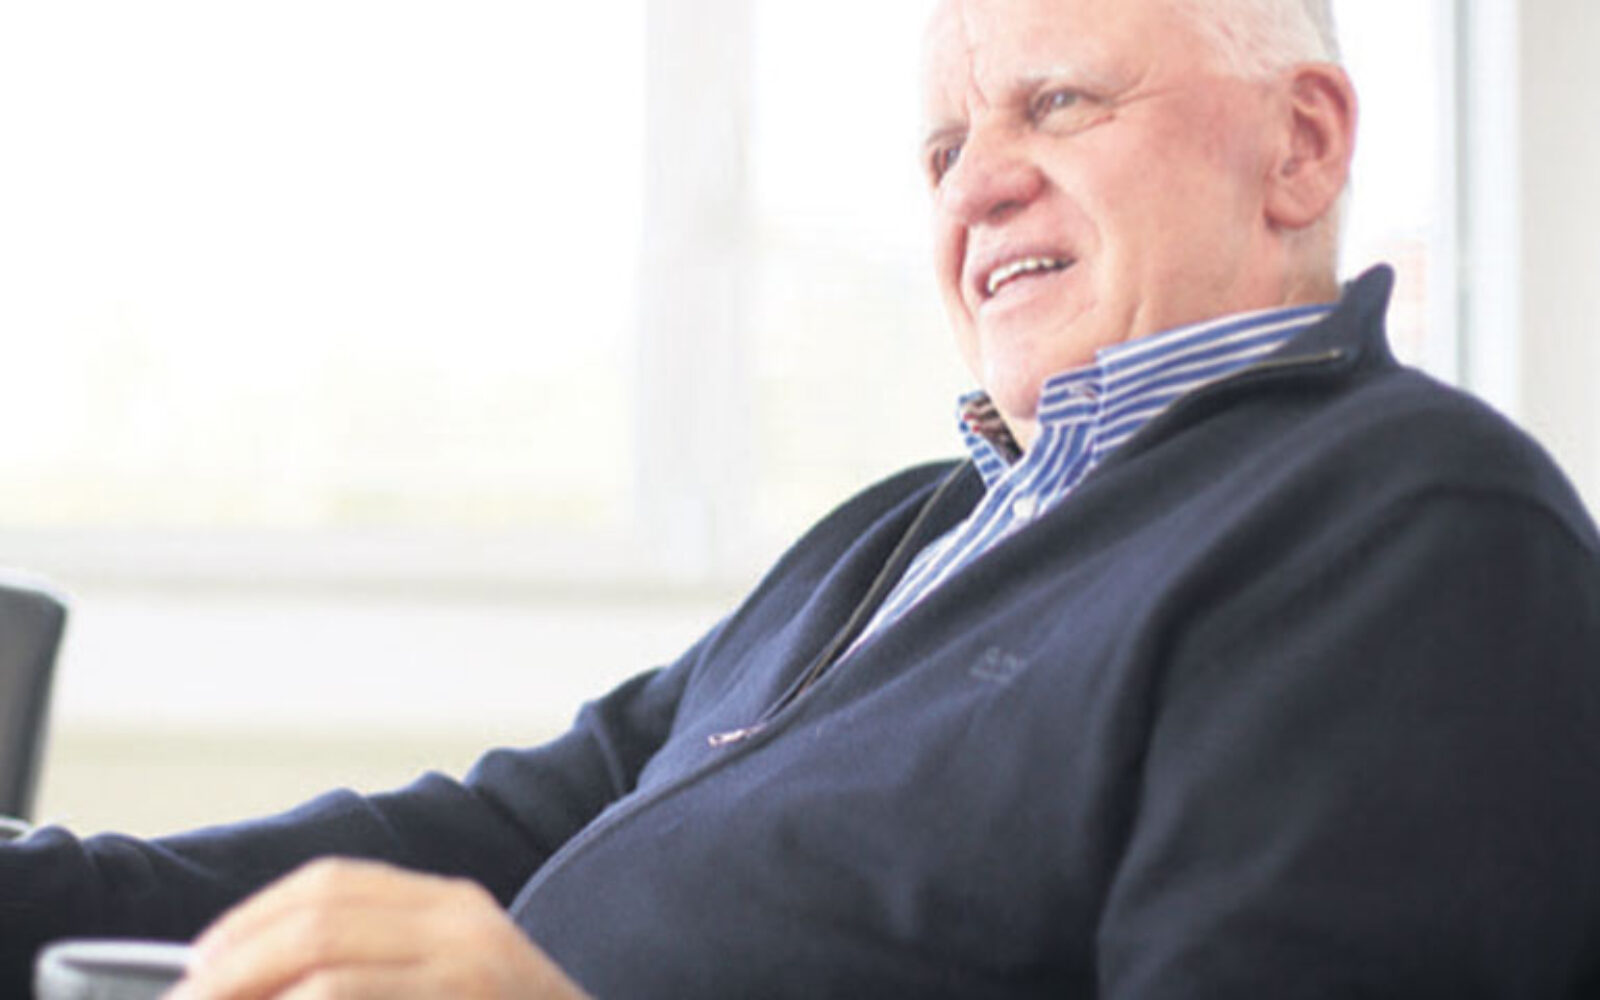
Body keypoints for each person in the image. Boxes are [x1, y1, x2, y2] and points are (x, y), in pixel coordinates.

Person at [6, 0, 1600, 995]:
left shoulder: (1412, 531)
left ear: (1303, 146)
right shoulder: (899, 537)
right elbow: (490, 837)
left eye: (1057, 104)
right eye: (941, 149)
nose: (977, 184)